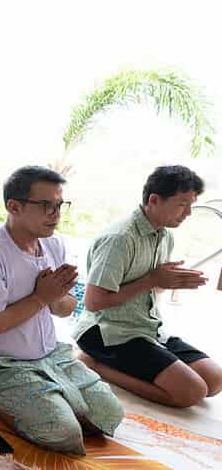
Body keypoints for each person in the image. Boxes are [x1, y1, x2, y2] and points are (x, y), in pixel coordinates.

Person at [0, 166, 124, 455]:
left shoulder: (53, 244)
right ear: (13, 206)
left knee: (109, 414)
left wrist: (54, 298)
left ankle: (44, 400)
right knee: (61, 432)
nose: (55, 214)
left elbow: (66, 308)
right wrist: (41, 298)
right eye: (45, 206)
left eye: (59, 205)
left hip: (47, 355)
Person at [75, 165, 222, 407]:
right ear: (154, 200)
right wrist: (153, 280)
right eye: (182, 204)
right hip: (106, 332)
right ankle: (96, 364)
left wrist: (168, 281)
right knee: (192, 393)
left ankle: (131, 361)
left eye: (191, 204)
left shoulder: (165, 235)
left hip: (146, 327)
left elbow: (153, 288)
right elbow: (93, 302)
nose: (188, 213)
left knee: (214, 381)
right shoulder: (119, 239)